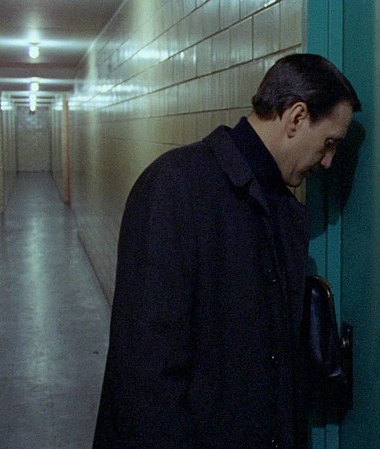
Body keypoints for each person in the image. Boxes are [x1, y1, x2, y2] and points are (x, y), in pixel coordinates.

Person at [92, 53, 361, 449]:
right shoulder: (174, 187)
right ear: (296, 117)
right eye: (329, 143)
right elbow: (145, 374)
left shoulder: (279, 204)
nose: (328, 161)